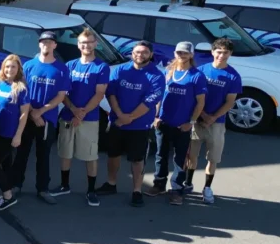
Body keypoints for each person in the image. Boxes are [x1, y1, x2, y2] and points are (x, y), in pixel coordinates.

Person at [97, 42, 165, 207]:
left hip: (139, 126)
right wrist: (120, 115)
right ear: (132, 53)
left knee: (137, 159)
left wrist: (130, 117)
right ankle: (111, 183)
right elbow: (111, 93)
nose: (140, 55)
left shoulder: (156, 75)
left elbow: (150, 100)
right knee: (113, 155)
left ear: (151, 54)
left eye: (144, 52)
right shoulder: (121, 70)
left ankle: (136, 191)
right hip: (117, 122)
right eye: (137, 52)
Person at [9, 31, 71, 204]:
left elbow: (60, 96)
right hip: (26, 116)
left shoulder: (61, 69)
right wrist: (32, 113)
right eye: (43, 42)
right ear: (39, 44)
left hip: (47, 119)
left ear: (55, 45)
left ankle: (43, 189)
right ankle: (15, 185)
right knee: (21, 153)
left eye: (50, 42)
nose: (46, 45)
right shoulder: (28, 66)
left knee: (43, 156)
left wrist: (41, 112)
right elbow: (22, 91)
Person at [52, 29, 110, 207]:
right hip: (68, 116)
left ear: (95, 44)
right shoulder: (70, 65)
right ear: (78, 45)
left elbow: (99, 94)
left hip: (89, 118)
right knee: (65, 152)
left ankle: (91, 190)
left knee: (90, 155)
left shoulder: (101, 67)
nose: (87, 45)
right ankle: (64, 185)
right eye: (83, 42)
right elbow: (63, 92)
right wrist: (73, 109)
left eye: (90, 42)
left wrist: (81, 113)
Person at [147, 41, 208, 205]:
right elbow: (159, 96)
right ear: (175, 53)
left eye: (185, 53)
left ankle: (176, 189)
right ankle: (159, 184)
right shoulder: (168, 72)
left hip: (182, 125)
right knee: (160, 156)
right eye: (179, 52)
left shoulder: (197, 76)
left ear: (191, 55)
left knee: (179, 159)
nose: (182, 55)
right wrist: (156, 117)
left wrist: (191, 122)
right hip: (163, 123)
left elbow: (200, 102)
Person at [185, 38, 241, 204]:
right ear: (212, 52)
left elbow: (230, 102)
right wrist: (203, 115)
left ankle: (207, 187)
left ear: (230, 54)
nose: (221, 55)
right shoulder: (201, 71)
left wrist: (213, 117)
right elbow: (193, 96)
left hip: (217, 124)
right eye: (219, 52)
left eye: (225, 52)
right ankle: (188, 183)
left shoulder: (233, 76)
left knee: (213, 158)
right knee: (191, 155)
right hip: (197, 120)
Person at [0, 55, 31, 211]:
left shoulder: (21, 88)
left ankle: (8, 196)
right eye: (7, 66)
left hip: (9, 134)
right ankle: (7, 192)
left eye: (13, 67)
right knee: (6, 165)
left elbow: (24, 114)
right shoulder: (1, 84)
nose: (9, 69)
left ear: (18, 69)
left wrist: (18, 135)